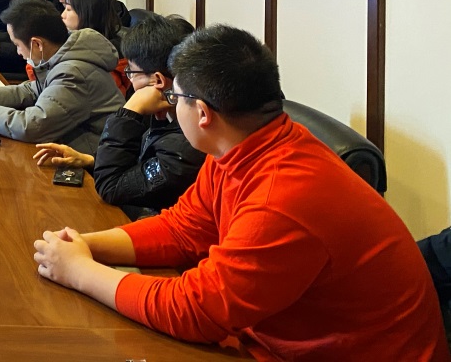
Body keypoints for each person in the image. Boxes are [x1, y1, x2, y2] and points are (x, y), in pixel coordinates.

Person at [32, 25, 450, 362]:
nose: (169, 105)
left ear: (202, 113)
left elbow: (196, 311)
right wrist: (83, 246)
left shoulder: (283, 196)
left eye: (174, 97)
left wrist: (80, 272)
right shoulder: (241, 145)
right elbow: (183, 229)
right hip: (266, 339)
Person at [32, 13, 205, 214]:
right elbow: (139, 167)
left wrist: (130, 112)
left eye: (131, 72)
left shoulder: (186, 145)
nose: (129, 79)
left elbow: (111, 187)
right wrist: (90, 160)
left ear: (157, 80)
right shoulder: (160, 111)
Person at [0, 0, 124, 152]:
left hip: (90, 160)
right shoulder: (64, 53)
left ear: (37, 44)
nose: (18, 52)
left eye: (17, 45)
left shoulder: (73, 73)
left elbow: (33, 126)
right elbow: (34, 90)